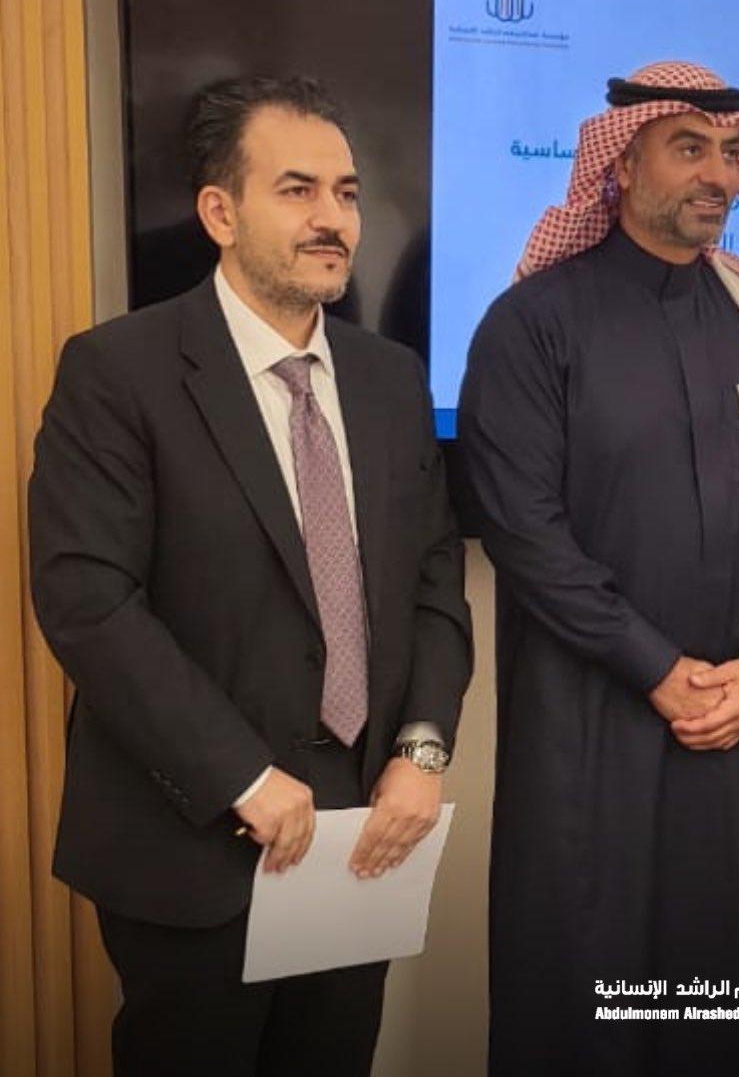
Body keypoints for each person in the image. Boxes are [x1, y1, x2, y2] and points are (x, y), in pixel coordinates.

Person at [28, 75, 473, 1077]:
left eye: (346, 193)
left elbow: (434, 577)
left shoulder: (390, 379)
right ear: (220, 213)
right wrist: (241, 776)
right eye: (297, 189)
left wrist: (422, 747)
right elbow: (88, 601)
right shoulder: (118, 370)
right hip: (192, 841)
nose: (332, 219)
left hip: (361, 838)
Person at [458, 61, 739, 1077]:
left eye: (732, 154)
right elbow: (523, 529)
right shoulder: (532, 324)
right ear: (620, 165)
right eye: (689, 149)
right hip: (587, 726)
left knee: (730, 999)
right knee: (584, 995)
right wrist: (656, 667)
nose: (719, 175)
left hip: (734, 723)